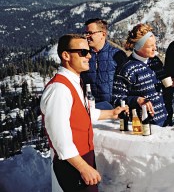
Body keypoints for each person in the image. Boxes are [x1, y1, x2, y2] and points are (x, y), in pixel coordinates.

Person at [40, 34, 128, 192]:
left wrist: (111, 114)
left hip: (82, 158)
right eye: (83, 52)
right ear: (66, 55)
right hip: (72, 164)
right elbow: (60, 137)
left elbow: (82, 113)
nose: (89, 56)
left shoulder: (74, 82)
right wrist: (83, 168)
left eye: (89, 52)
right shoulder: (59, 89)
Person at [112, 24, 167, 126]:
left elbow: (161, 82)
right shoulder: (127, 69)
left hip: (164, 120)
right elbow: (116, 99)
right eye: (150, 46)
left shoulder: (155, 62)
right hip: (143, 125)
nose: (155, 48)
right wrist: (137, 100)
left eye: (155, 44)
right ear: (139, 47)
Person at [81, 18, 127, 110]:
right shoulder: (83, 55)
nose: (87, 36)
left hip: (114, 109)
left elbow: (126, 83)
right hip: (90, 108)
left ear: (103, 34)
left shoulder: (117, 55)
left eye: (90, 33)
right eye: (86, 33)